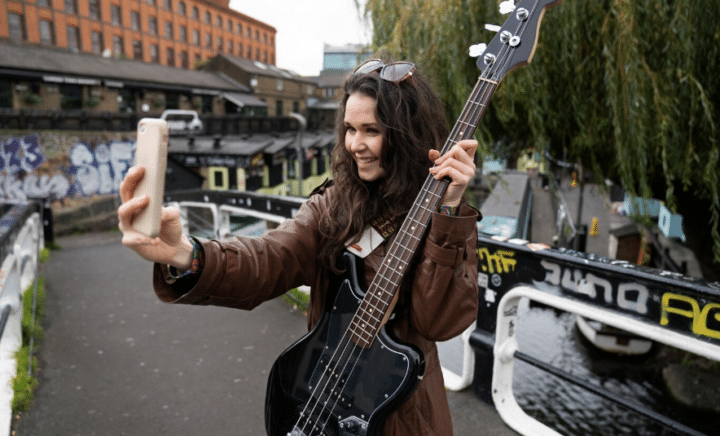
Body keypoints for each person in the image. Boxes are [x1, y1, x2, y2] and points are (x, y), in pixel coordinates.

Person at [118, 58, 480, 436]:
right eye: (349, 129)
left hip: (405, 418)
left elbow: (438, 322)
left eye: (371, 130)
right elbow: (270, 257)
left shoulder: (447, 219)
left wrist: (449, 209)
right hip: (323, 400)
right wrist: (186, 254)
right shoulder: (335, 205)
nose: (355, 145)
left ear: (405, 133)